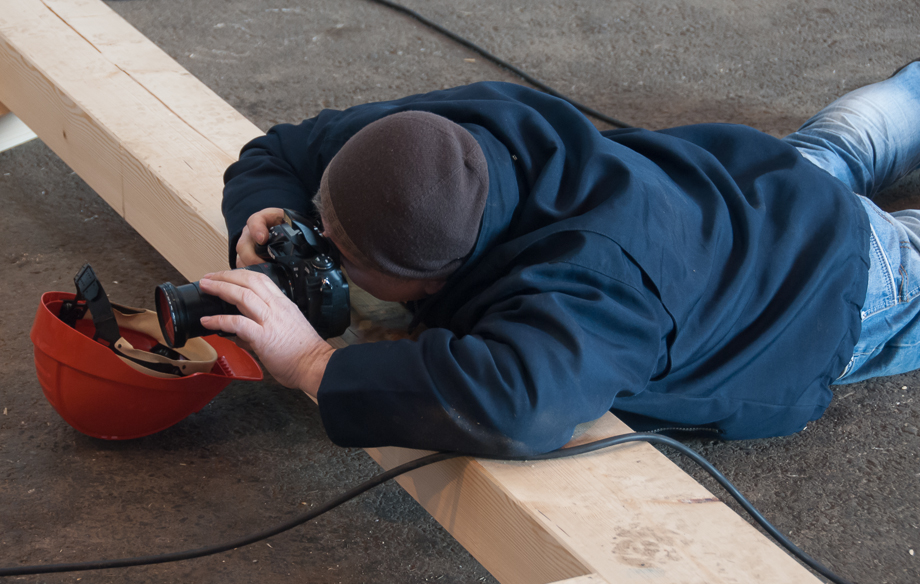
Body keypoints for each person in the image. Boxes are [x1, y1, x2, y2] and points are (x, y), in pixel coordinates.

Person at [197, 61, 920, 457]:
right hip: (747, 189)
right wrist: (267, 212)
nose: (321, 254)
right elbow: (280, 150)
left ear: (432, 278)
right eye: (322, 228)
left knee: (867, 207)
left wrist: (312, 364)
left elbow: (519, 405)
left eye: (347, 261)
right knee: (838, 149)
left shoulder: (585, 286)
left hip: (836, 280)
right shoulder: (420, 144)